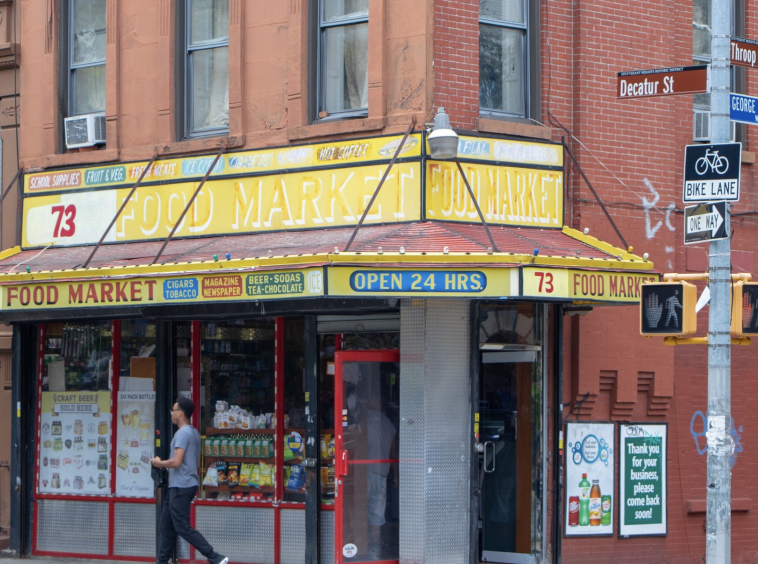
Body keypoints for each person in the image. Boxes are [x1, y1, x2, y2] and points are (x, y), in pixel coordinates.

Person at [152, 397, 227, 564]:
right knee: (167, 527)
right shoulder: (193, 432)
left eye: (173, 410)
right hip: (181, 485)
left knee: (182, 527)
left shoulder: (183, 433)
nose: (172, 413)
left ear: (180, 412)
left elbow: (177, 462)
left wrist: (159, 463)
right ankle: (162, 561)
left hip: (181, 486)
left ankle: (215, 557)